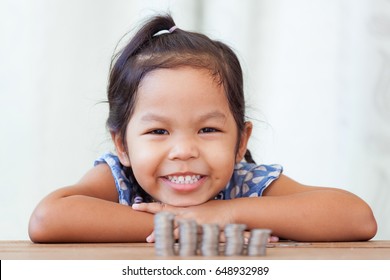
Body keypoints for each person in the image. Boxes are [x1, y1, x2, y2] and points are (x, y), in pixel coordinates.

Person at [28, 14, 377, 243]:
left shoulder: (243, 182)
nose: (184, 151)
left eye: (208, 130)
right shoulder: (121, 177)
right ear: (122, 145)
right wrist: (183, 227)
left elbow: (356, 218)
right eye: (158, 132)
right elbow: (47, 219)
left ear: (241, 142)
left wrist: (223, 213)